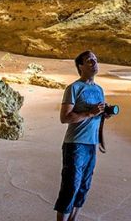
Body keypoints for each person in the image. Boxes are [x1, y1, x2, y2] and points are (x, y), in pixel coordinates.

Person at [53, 50, 106, 220]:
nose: (94, 63)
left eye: (95, 60)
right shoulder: (74, 88)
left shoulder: (99, 90)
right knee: (70, 186)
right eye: (90, 60)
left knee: (84, 186)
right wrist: (90, 113)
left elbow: (98, 115)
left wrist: (104, 116)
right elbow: (64, 118)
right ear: (80, 66)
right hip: (75, 144)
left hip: (91, 144)